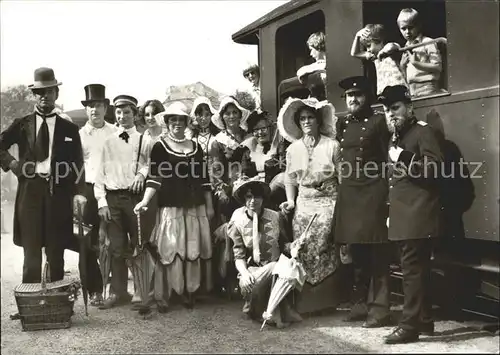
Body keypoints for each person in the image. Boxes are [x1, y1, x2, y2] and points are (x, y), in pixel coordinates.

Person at [0, 67, 87, 284]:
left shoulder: (69, 129)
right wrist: (13, 164)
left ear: (56, 94)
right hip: (29, 193)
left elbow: (78, 163)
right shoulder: (22, 124)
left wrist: (79, 193)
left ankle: (57, 303)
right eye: (39, 92)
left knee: (56, 252)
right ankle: (30, 306)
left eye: (49, 91)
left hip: (58, 194)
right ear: (34, 95)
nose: (44, 96)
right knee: (31, 254)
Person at [379, 85, 444, 344]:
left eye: (395, 108)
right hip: (405, 214)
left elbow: (434, 170)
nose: (391, 114)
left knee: (412, 271)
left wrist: (404, 156)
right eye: (386, 110)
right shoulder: (398, 136)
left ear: (409, 107)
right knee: (418, 269)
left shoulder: (423, 132)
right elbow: (394, 180)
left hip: (418, 214)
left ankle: (409, 326)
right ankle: (425, 320)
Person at [134, 103, 214, 310]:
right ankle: (167, 292)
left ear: (186, 122)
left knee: (192, 247)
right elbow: (154, 177)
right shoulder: (160, 146)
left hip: (195, 207)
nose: (177, 123)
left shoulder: (195, 147)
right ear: (167, 123)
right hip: (171, 207)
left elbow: (204, 180)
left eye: (181, 120)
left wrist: (209, 205)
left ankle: (189, 291)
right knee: (171, 248)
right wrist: (144, 201)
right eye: (173, 120)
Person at [334, 76, 392, 328]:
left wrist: (386, 196)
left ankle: (380, 311)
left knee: (377, 256)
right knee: (356, 256)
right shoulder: (343, 123)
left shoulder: (379, 122)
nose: (353, 99)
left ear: (367, 97)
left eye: (357, 94)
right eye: (349, 96)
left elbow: (388, 160)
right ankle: (358, 307)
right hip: (350, 195)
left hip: (372, 194)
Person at [277, 96, 341, 314]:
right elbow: (290, 178)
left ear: (318, 120)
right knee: (301, 245)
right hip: (304, 202)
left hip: (328, 201)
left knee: (323, 243)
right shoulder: (293, 149)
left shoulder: (332, 145)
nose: (306, 121)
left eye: (310, 117)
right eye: (302, 118)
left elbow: (341, 177)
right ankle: (306, 303)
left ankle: (327, 302)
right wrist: (290, 200)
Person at [94, 94, 151, 310]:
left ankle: (141, 291)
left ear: (135, 115)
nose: (123, 116)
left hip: (134, 199)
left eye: (127, 112)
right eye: (119, 112)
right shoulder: (108, 141)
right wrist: (102, 202)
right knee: (116, 247)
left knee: (138, 245)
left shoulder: (144, 139)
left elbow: (149, 164)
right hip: (113, 199)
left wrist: (141, 174)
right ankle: (118, 292)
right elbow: (100, 174)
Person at [228, 175, 301, 328]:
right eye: (249, 197)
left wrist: (294, 246)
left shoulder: (275, 217)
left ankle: (273, 313)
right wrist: (245, 273)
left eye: (257, 197)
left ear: (263, 198)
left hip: (276, 271)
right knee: (261, 277)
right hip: (253, 272)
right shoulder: (238, 221)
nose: (253, 201)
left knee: (279, 268)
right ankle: (256, 309)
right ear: (243, 198)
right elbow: (238, 254)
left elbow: (284, 245)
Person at [74, 83, 118, 306]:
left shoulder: (115, 132)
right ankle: (94, 289)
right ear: (86, 110)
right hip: (89, 191)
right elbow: (75, 168)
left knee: (115, 240)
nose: (95, 110)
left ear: (105, 107)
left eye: (98, 105)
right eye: (90, 106)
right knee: (89, 243)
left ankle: (118, 289)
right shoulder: (79, 135)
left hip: (113, 190)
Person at [210, 96, 251, 297]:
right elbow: (215, 168)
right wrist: (222, 189)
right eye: (227, 113)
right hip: (227, 191)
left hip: (246, 189)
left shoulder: (247, 136)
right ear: (222, 117)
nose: (232, 116)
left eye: (235, 112)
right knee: (229, 234)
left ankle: (247, 278)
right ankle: (227, 280)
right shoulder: (218, 141)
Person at [240, 110, 287, 209]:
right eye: (256, 130)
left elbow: (284, 173)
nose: (260, 133)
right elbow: (245, 174)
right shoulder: (248, 151)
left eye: (263, 128)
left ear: (270, 128)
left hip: (276, 197)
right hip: (254, 196)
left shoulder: (279, 148)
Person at [396, 8, 445, 97]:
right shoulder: (405, 47)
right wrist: (402, 66)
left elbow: (438, 67)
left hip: (427, 87)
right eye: (403, 28)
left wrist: (416, 63)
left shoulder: (428, 42)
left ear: (419, 25)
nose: (407, 32)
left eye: (410, 27)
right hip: (412, 90)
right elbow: (407, 75)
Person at [350, 24, 409, 95]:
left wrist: (382, 52)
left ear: (379, 41)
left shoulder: (389, 49)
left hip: (398, 88)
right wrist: (357, 36)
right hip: (384, 91)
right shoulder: (374, 56)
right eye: (366, 47)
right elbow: (354, 53)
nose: (368, 50)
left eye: (369, 46)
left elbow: (392, 47)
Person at [296, 31, 327, 101]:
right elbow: (300, 72)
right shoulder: (318, 65)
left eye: (311, 50)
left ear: (318, 46)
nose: (310, 53)